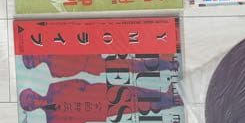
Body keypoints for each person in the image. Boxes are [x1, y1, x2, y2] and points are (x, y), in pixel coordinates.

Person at [19, 81, 182, 123]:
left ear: (33, 91)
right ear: (31, 109)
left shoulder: (53, 88)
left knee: (133, 91)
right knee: (135, 106)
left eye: (30, 95)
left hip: (98, 92)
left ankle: (165, 97)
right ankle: (168, 103)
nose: (33, 99)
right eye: (29, 102)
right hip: (98, 111)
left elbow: (79, 83)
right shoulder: (51, 121)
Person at [21, 54, 179, 79]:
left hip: (95, 40)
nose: (35, 59)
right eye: (32, 63)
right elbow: (76, 67)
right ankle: (167, 65)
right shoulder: (54, 71)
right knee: (133, 66)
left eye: (31, 57)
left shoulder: (51, 38)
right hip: (96, 63)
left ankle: (166, 54)